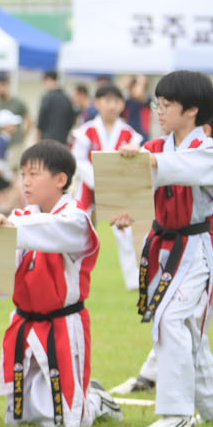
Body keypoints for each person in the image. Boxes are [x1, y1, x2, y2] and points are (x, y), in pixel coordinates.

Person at [116, 72, 213, 427]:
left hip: (196, 249)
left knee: (170, 320)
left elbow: (183, 168)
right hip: (162, 247)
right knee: (186, 329)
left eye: (167, 105)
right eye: (158, 103)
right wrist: (125, 209)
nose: (159, 110)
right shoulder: (154, 148)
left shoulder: (210, 152)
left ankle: (178, 414)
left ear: (192, 110)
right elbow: (135, 189)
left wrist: (149, 162)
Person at [0, 141, 122, 427]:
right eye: (23, 175)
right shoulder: (21, 218)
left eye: (34, 174)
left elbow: (50, 231)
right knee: (21, 417)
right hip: (25, 321)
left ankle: (97, 401)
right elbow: (10, 265)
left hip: (63, 323)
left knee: (70, 421)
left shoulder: (75, 219)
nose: (26, 182)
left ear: (60, 179)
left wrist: (9, 228)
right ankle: (86, 397)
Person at [71, 83, 143, 290]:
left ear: (122, 105)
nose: (112, 106)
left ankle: (134, 281)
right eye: (107, 101)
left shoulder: (130, 134)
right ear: (97, 103)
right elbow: (78, 160)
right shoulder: (85, 132)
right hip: (88, 187)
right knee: (78, 230)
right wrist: (97, 179)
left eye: (116, 101)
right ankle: (73, 277)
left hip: (117, 189)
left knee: (126, 232)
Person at [36, 71, 76, 145]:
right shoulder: (66, 98)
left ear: (48, 80)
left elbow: (41, 121)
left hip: (47, 141)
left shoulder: (47, 98)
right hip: (62, 140)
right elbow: (71, 120)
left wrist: (37, 139)